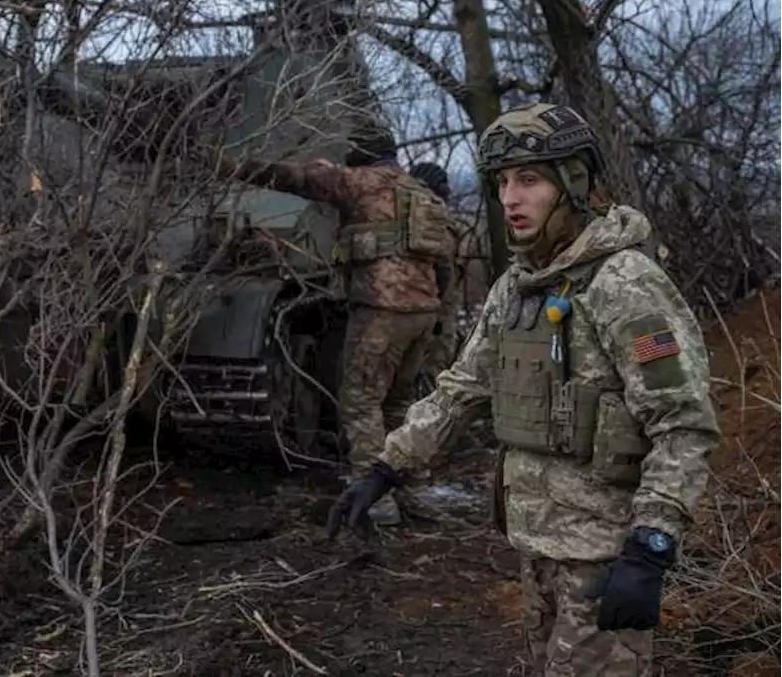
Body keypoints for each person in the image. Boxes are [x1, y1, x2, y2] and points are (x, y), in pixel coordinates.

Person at [327, 102, 722, 675]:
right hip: (536, 547)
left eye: (529, 180)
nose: (510, 197)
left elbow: (684, 423)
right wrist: (385, 467)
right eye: (502, 182)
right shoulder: (518, 286)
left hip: (603, 558)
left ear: (575, 182)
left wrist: (651, 544)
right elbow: (461, 388)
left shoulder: (625, 286)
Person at [215, 113, 452, 524]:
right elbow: (444, 264)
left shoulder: (359, 182)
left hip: (381, 310)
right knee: (400, 406)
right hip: (422, 313)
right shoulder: (423, 193)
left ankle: (373, 496)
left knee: (361, 403)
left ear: (360, 153)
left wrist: (231, 166)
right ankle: (413, 490)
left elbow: (295, 179)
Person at [408, 161, 470, 388]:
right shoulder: (441, 226)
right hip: (434, 321)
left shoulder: (433, 227)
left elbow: (445, 275)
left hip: (435, 322)